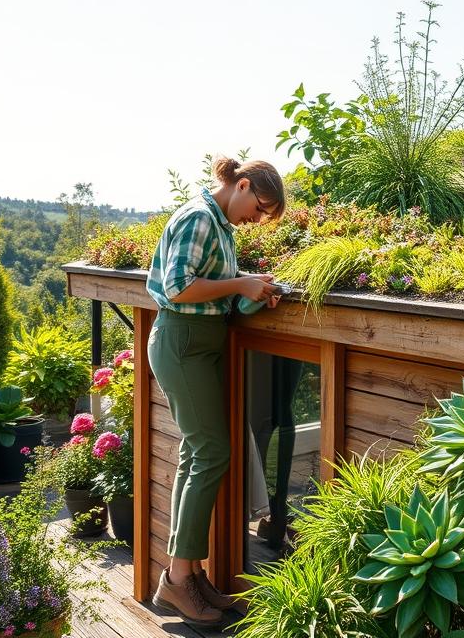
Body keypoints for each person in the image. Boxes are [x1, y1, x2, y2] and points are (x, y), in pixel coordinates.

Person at [147, 156, 286, 627]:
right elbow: (179, 286)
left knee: (198, 454)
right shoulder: (198, 217)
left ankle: (190, 574)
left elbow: (216, 294)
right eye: (260, 207)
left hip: (198, 342)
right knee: (210, 453)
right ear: (242, 184)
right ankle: (178, 579)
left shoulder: (220, 226)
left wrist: (253, 293)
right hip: (181, 341)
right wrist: (241, 281)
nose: (258, 219)